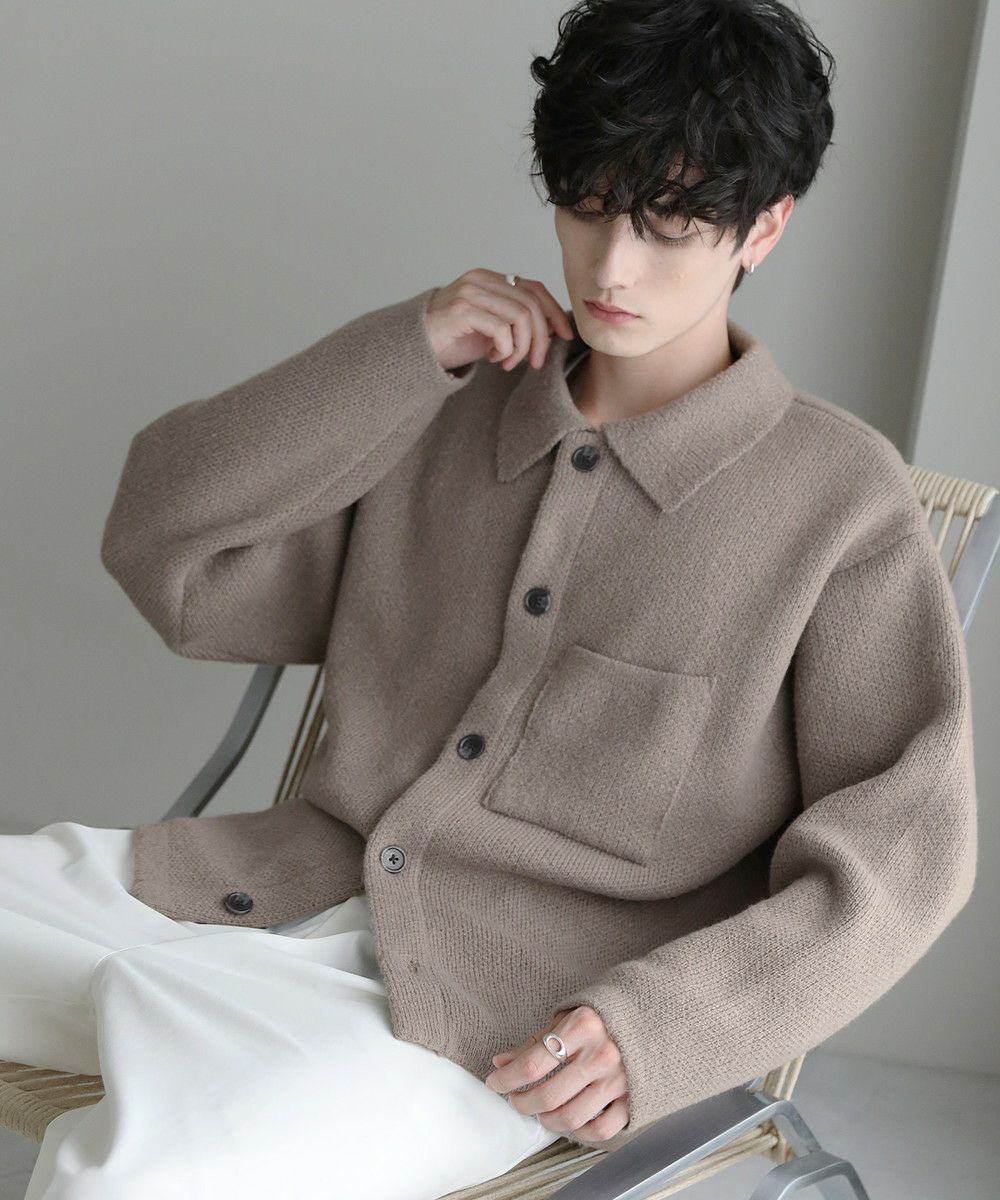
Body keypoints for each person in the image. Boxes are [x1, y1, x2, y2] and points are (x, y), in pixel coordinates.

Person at [2, 2, 977, 1196]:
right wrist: (402, 350)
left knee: (126, 1183)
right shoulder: (453, 408)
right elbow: (168, 552)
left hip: (495, 1031)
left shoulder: (835, 501)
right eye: (588, 205)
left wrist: (664, 1026)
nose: (613, 266)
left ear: (764, 226)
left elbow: (904, 848)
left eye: (670, 222)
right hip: (244, 894)